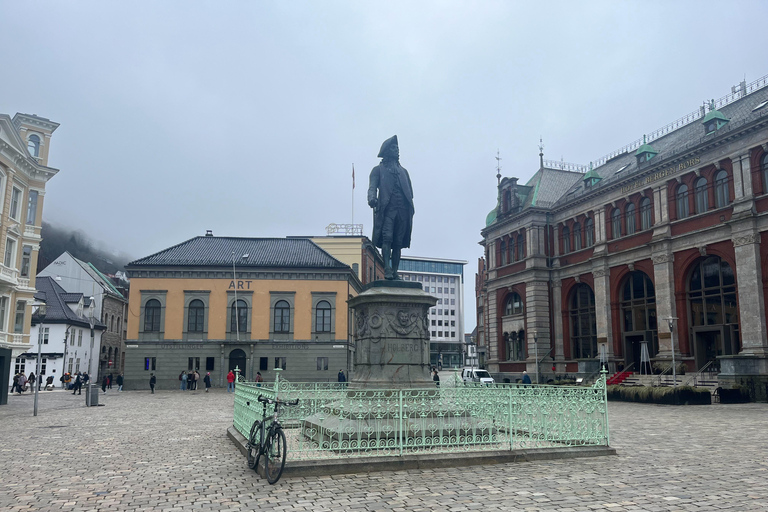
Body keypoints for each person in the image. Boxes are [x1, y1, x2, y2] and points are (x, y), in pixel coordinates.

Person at [367, 135, 415, 280]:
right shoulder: (378, 170)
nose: (397, 151)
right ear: (387, 151)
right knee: (387, 238)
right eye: (394, 148)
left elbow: (410, 192)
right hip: (387, 210)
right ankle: (386, 269)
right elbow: (372, 187)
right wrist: (372, 198)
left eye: (397, 148)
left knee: (398, 242)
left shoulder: (404, 171)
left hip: (403, 211)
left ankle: (395, 271)